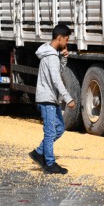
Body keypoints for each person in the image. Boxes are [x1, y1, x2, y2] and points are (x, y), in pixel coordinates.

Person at [29, 24, 75, 175]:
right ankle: (50, 163)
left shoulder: (51, 54)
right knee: (50, 132)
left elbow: (57, 72)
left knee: (59, 129)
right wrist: (68, 99)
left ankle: (38, 152)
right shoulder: (51, 56)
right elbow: (57, 80)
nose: (66, 43)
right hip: (47, 98)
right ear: (60, 38)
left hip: (50, 98)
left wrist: (63, 59)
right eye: (66, 39)